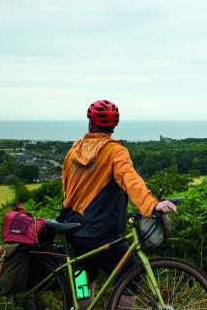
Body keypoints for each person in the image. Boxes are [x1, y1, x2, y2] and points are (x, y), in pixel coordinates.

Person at [58, 99, 177, 306]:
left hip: (74, 231)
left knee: (84, 280)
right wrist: (151, 204)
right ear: (114, 126)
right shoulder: (115, 151)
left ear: (90, 122)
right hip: (101, 233)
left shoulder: (73, 152)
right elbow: (129, 178)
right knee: (132, 278)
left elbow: (67, 189)